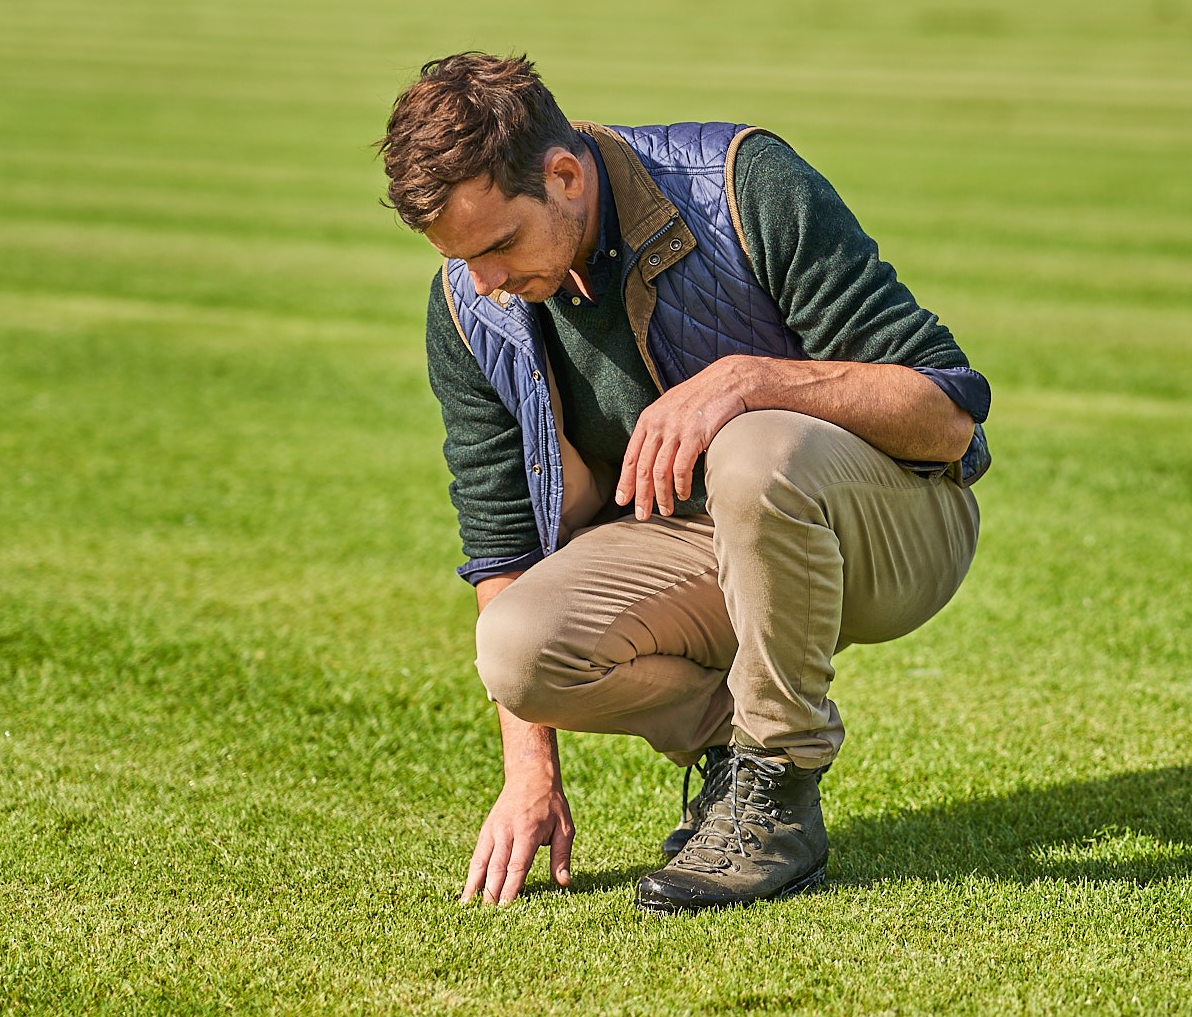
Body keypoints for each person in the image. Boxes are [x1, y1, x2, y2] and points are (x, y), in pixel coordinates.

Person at [376, 53, 990, 914]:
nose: (486, 281)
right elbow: (500, 549)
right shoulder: (470, 305)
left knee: (751, 447)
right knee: (513, 648)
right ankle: (734, 751)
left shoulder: (743, 185)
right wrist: (529, 775)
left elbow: (949, 415)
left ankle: (776, 791)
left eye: (500, 244)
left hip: (891, 525)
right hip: (703, 549)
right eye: (461, 258)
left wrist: (749, 378)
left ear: (563, 175)